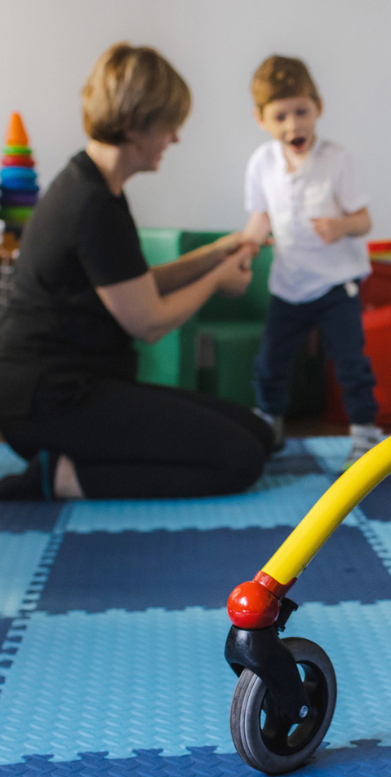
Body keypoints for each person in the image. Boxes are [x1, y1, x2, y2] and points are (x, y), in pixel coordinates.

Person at [0, 43, 273, 500]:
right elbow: (147, 321)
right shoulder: (91, 205)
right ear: (133, 125)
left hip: (77, 386)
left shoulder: (96, 186)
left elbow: (136, 286)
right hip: (50, 401)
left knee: (257, 435)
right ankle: (60, 478)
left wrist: (216, 252)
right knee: (239, 460)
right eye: (169, 125)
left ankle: (77, 466)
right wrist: (217, 281)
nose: (175, 138)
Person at [243, 55, 383, 464]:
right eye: (280, 116)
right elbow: (258, 219)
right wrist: (247, 247)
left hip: (337, 285)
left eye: (301, 111)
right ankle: (270, 422)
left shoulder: (336, 160)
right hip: (289, 285)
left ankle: (364, 432)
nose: (293, 125)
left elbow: (364, 220)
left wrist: (340, 226)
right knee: (270, 360)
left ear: (318, 107)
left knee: (350, 362)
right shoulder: (262, 164)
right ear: (261, 120)